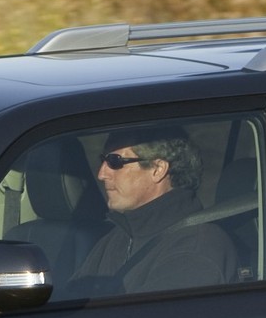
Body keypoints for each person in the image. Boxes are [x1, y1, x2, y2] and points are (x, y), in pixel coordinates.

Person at [69, 125, 238, 295]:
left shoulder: (196, 250)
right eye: (103, 160)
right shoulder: (118, 237)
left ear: (158, 170)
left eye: (115, 161)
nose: (101, 174)